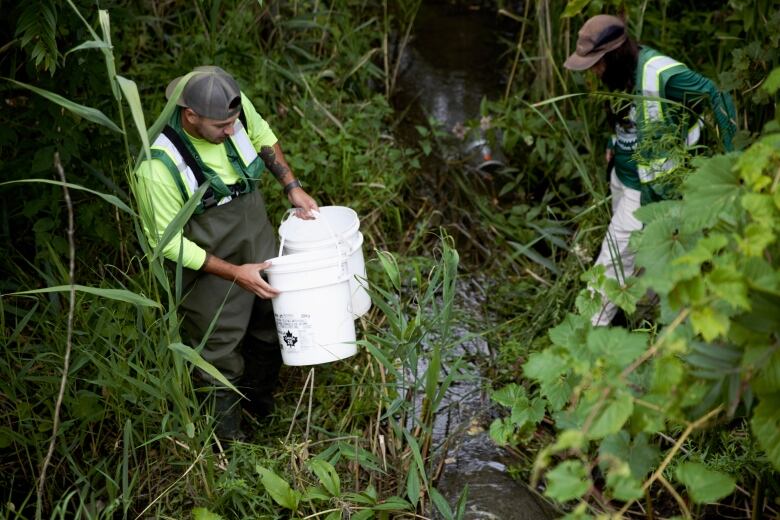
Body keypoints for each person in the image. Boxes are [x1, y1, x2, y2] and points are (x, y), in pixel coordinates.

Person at [134, 66, 319, 440]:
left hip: (258, 237)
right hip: (210, 263)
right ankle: (228, 445)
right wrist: (235, 273)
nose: (232, 131)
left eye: (234, 122)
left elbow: (262, 135)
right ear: (190, 116)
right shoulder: (157, 166)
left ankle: (260, 409)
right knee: (220, 350)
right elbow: (165, 243)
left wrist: (291, 186)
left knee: (271, 323)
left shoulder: (231, 109)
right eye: (221, 127)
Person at [563, 15, 737, 326]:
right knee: (641, 260)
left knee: (611, 266)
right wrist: (613, 142)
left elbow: (716, 94)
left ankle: (584, 346)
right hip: (623, 176)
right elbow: (627, 116)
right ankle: (642, 325)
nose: (592, 71)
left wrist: (733, 162)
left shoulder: (662, 73)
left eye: (597, 63)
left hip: (649, 190)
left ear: (613, 55)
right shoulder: (617, 75)